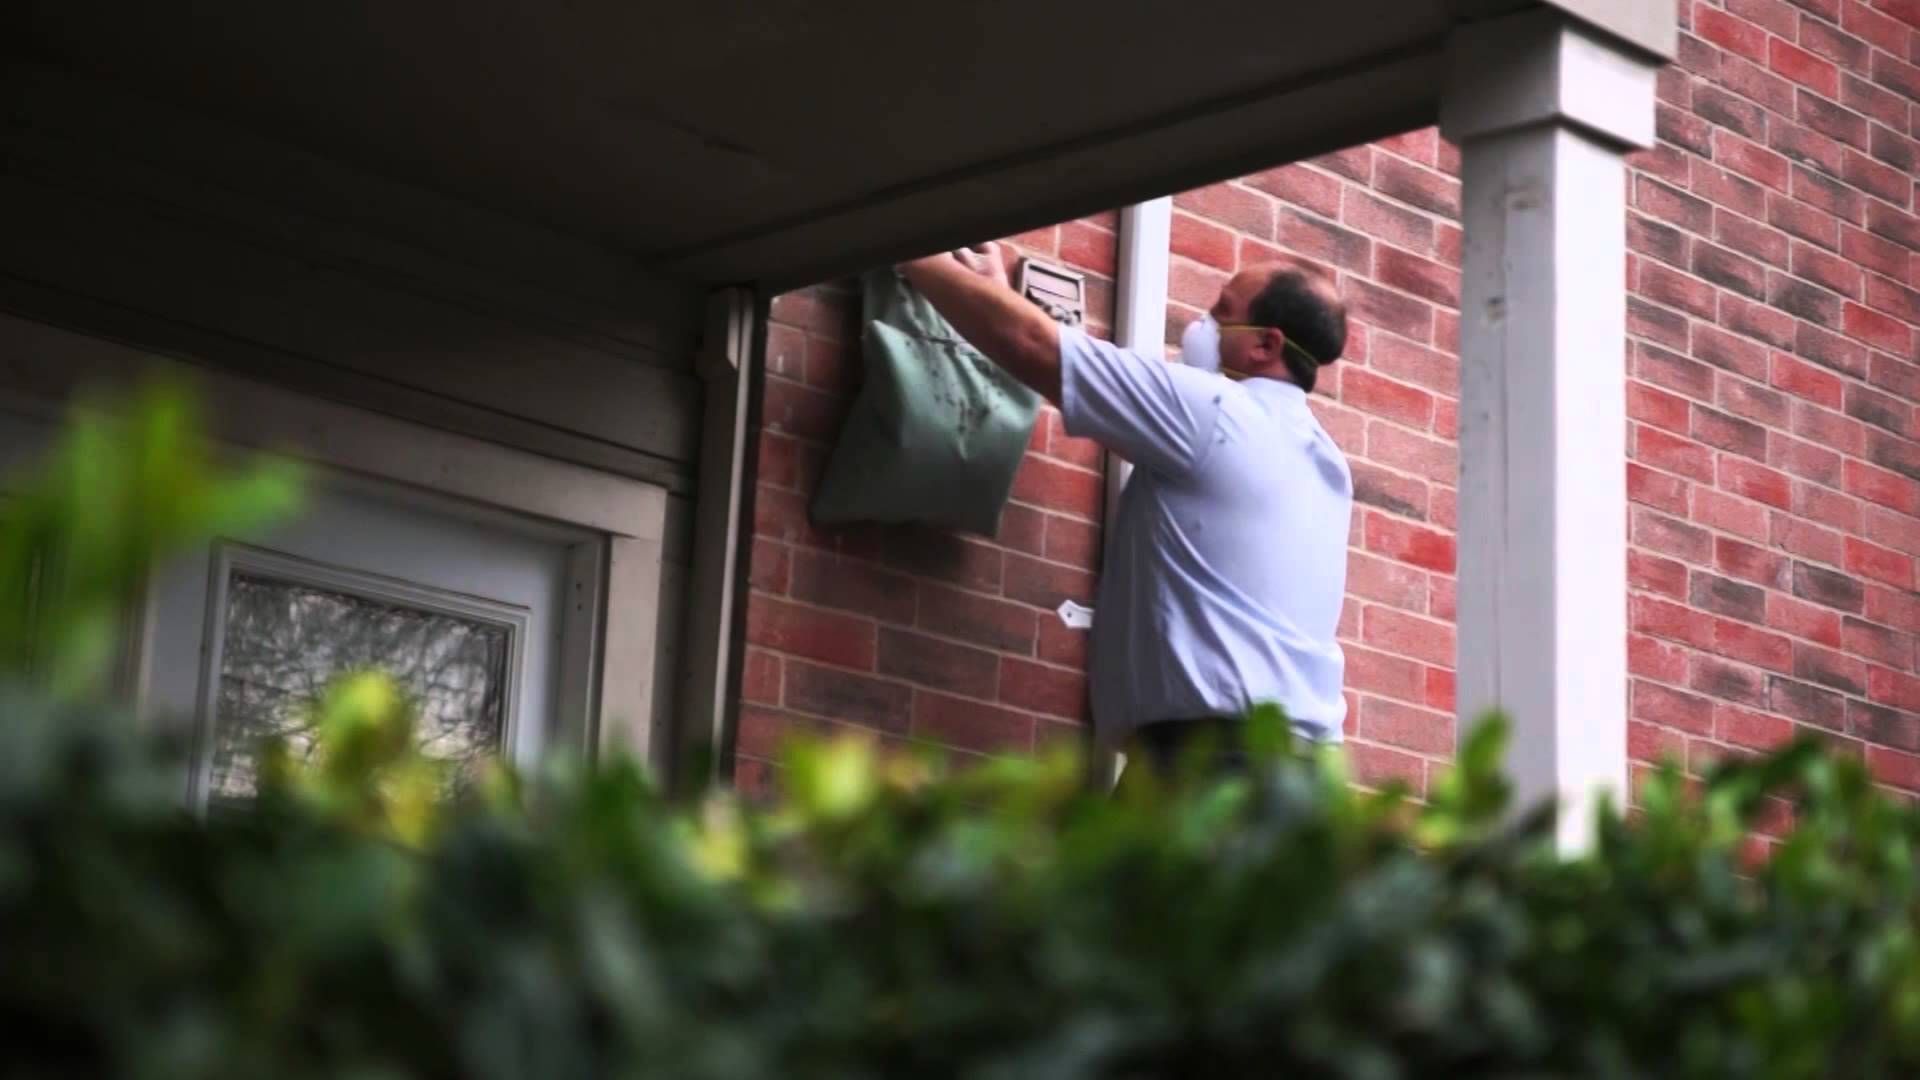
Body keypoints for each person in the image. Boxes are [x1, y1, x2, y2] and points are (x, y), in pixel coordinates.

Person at [899, 243, 1352, 779]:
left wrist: (907, 252)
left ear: (1265, 345)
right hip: (1300, 776)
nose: (1204, 322)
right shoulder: (1326, 462)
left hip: (1215, 765)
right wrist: (994, 295)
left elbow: (1033, 344)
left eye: (1223, 310)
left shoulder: (1214, 410)